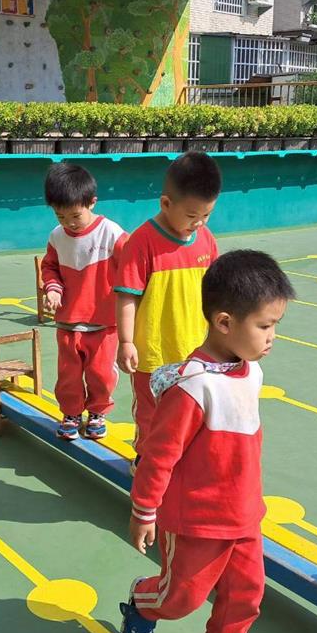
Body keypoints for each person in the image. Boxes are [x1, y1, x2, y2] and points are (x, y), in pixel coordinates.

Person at [119, 250, 294, 633]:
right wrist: (144, 512)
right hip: (196, 520)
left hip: (244, 515)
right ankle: (142, 600)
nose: (272, 336)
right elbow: (159, 456)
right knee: (180, 598)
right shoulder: (193, 387)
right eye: (265, 325)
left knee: (246, 593)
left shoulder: (251, 371)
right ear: (224, 322)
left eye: (275, 325)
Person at [114, 151, 220, 449]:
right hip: (153, 355)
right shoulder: (142, 241)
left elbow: (215, 291)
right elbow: (127, 296)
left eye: (206, 215)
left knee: (190, 414)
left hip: (196, 353)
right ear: (166, 203)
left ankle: (180, 463)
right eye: (191, 216)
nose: (199, 223)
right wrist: (126, 341)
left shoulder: (206, 240)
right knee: (151, 416)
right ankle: (145, 461)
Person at [40, 163, 127, 440]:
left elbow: (132, 264)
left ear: (92, 202)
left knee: (101, 373)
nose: (69, 222)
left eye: (75, 215)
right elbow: (50, 267)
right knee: (68, 374)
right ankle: (71, 413)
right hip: (68, 321)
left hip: (103, 322)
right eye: (60, 216)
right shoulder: (57, 236)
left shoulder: (111, 233)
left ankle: (97, 411)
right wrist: (53, 289)